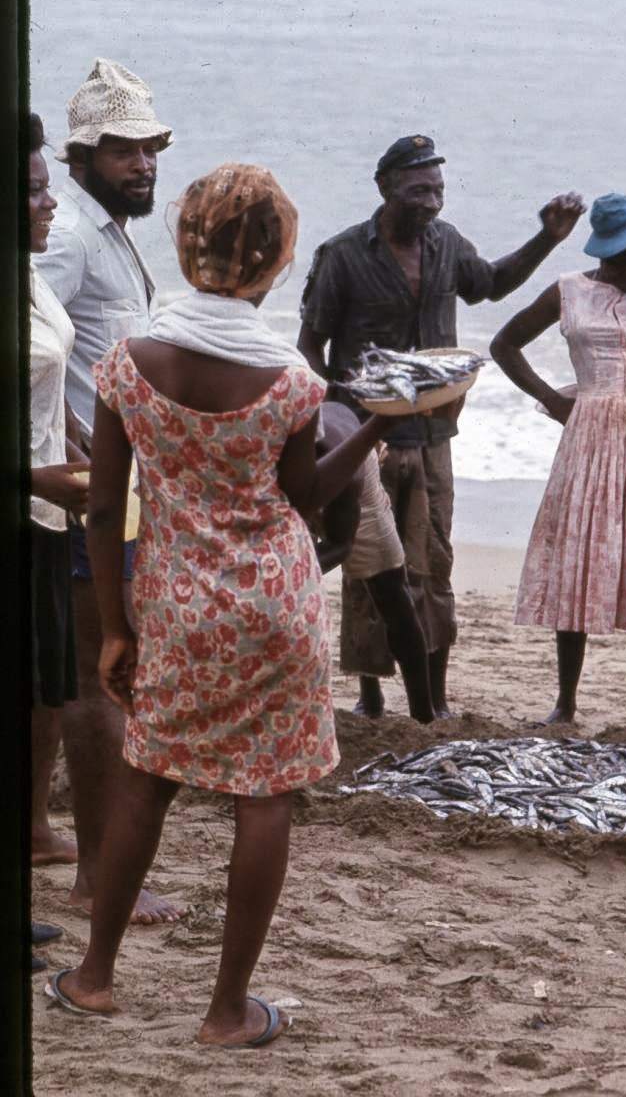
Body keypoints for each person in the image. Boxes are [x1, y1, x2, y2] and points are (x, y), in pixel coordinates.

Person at [43, 163, 402, 1047]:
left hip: (173, 600)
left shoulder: (130, 365)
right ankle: (226, 1009)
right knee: (263, 797)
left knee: (149, 778)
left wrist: (119, 626)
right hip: (273, 605)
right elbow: (305, 496)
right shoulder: (291, 383)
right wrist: (382, 426)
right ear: (278, 260)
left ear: (187, 244)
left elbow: (100, 505)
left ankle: (93, 978)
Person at [298, 134, 585, 717]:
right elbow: (310, 342)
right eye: (418, 190)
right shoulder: (343, 255)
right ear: (385, 188)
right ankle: (371, 694)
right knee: (368, 566)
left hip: (433, 435)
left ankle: (436, 697)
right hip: (363, 440)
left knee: (433, 563)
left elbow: (492, 285)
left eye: (438, 190)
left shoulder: (447, 244)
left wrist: (548, 239)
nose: (431, 202)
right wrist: (336, 413)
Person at [33, 58, 180, 923]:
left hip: (100, 483)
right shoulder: (69, 236)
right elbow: (33, 340)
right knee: (101, 682)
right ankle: (95, 877)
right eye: (124, 151)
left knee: (62, 680)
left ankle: (40, 836)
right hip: (90, 489)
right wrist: (75, 441)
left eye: (151, 148)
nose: (144, 165)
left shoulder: (103, 226)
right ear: (83, 156)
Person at [491, 192, 626, 731]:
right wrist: (555, 400)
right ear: (612, 251)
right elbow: (504, 344)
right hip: (590, 430)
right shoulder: (570, 292)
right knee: (581, 552)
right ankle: (566, 701)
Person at [28, 112, 89, 971]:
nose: (48, 204)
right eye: (35, 189)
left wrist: (81, 455)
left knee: (34, 696)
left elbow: (51, 389)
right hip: (26, 504)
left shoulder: (30, 274)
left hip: (44, 517)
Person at [309, 401, 434, 723]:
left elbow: (341, 544)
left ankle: (423, 715)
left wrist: (289, 572)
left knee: (390, 589)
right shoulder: (259, 449)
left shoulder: (347, 472)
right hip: (288, 466)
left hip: (350, 459)